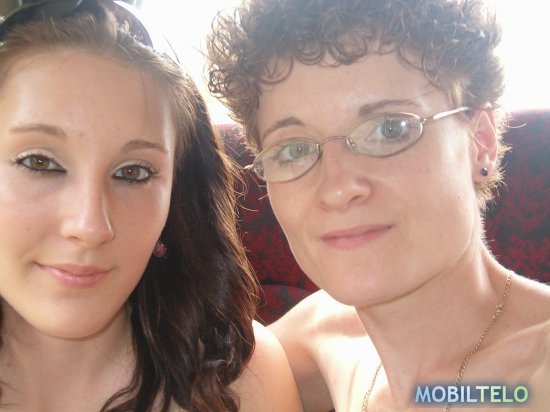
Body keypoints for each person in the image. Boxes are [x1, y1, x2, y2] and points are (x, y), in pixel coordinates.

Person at [206, 0, 550, 410]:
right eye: (293, 150)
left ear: (481, 141)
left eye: (389, 129)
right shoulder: (325, 335)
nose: (337, 189)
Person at [0, 0, 301, 410]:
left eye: (133, 173)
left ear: (175, 199)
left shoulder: (244, 382)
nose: (90, 226)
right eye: (39, 162)